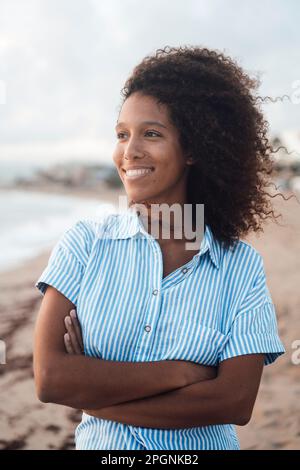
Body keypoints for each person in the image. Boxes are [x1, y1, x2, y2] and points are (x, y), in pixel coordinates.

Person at [33, 45, 285, 450]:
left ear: (194, 148)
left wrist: (93, 392)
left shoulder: (241, 268)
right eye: (121, 134)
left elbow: (235, 402)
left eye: (151, 133)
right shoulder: (85, 244)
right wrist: (180, 373)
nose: (129, 152)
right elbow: (50, 379)